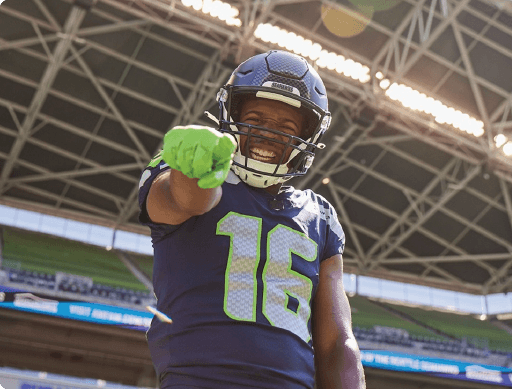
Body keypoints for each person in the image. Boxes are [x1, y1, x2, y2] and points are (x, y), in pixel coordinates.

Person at [138, 50, 365, 389]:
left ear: (307, 139)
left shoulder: (321, 217)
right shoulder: (190, 166)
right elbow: (187, 198)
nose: (268, 134)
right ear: (231, 115)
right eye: (256, 119)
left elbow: (336, 343)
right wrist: (196, 171)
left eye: (286, 127)